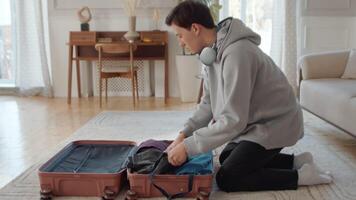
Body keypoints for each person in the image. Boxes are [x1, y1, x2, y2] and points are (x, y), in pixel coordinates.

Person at [164, 0, 332, 192]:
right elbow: (208, 104)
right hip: (255, 123)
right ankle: (297, 161)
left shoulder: (237, 53)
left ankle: (300, 176)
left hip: (277, 122)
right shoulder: (210, 54)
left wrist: (188, 147)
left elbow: (234, 120)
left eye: (180, 36)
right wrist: (183, 135)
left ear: (195, 28)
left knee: (228, 177)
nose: (180, 42)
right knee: (227, 157)